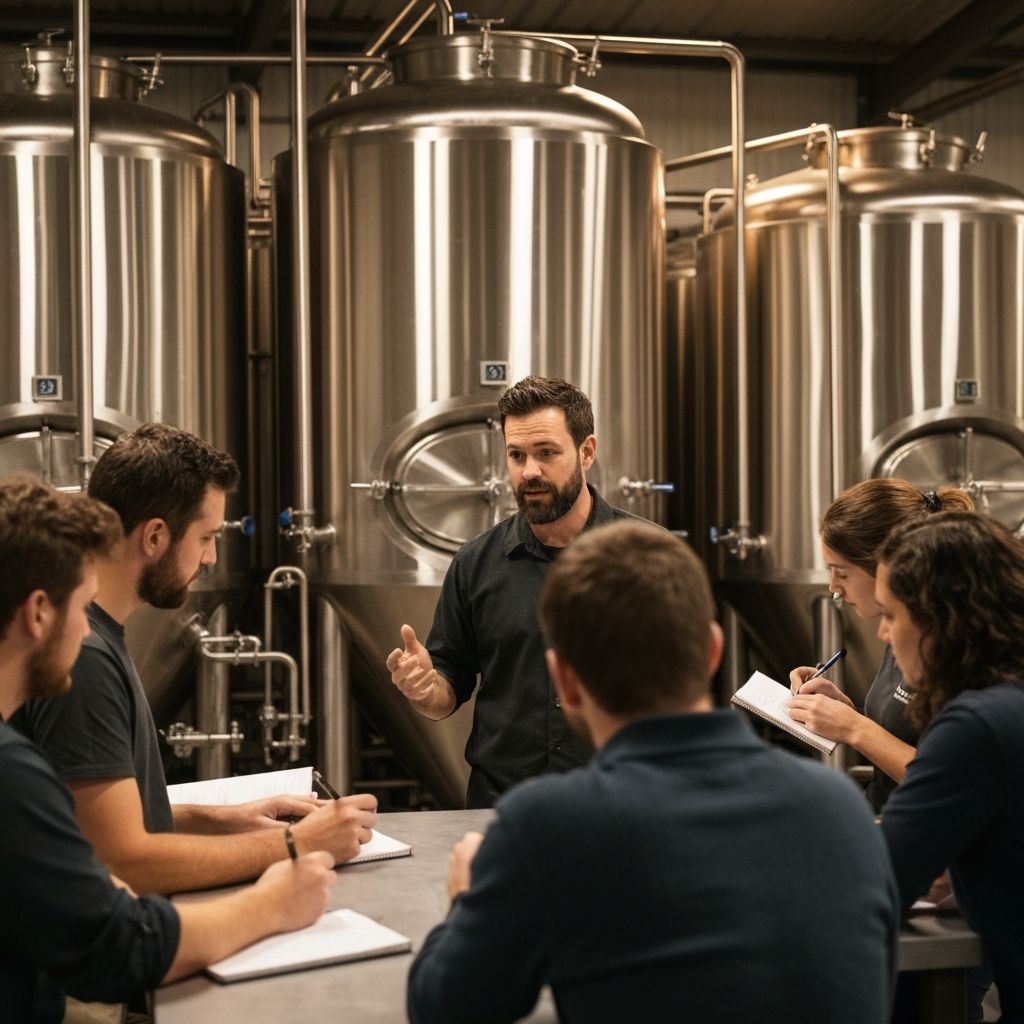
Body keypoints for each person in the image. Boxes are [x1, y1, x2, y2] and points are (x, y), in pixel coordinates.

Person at [407, 520, 898, 1024]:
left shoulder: (548, 827)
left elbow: (443, 1006)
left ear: (566, 684)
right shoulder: (839, 808)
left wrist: (468, 898)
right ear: (712, 651)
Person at [0, 476, 338, 1023]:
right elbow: (117, 945)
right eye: (82, 607)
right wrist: (277, 895)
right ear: (39, 612)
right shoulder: (10, 769)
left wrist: (220, 821)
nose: (88, 627)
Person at [13, 424, 377, 895]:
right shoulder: (85, 656)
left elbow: (101, 819)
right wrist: (296, 844)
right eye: (206, 537)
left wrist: (226, 820)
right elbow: (123, 862)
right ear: (155, 537)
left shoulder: (97, 635)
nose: (211, 558)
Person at [387, 376, 647, 808]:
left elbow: (690, 691)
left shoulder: (650, 558)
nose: (530, 471)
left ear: (587, 452)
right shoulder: (475, 564)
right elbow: (445, 690)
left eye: (546, 453)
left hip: (623, 806)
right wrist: (422, 688)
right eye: (516, 455)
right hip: (502, 811)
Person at [877, 512, 1024, 1023]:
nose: (881, 634)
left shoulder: (975, 725)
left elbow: (879, 882)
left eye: (890, 615)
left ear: (938, 620)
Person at [787, 478, 972, 811]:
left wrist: (854, 727)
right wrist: (842, 710)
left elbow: (955, 780)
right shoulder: (902, 629)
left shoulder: (959, 646)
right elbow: (906, 733)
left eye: (841, 573)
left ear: (887, 566)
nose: (833, 589)